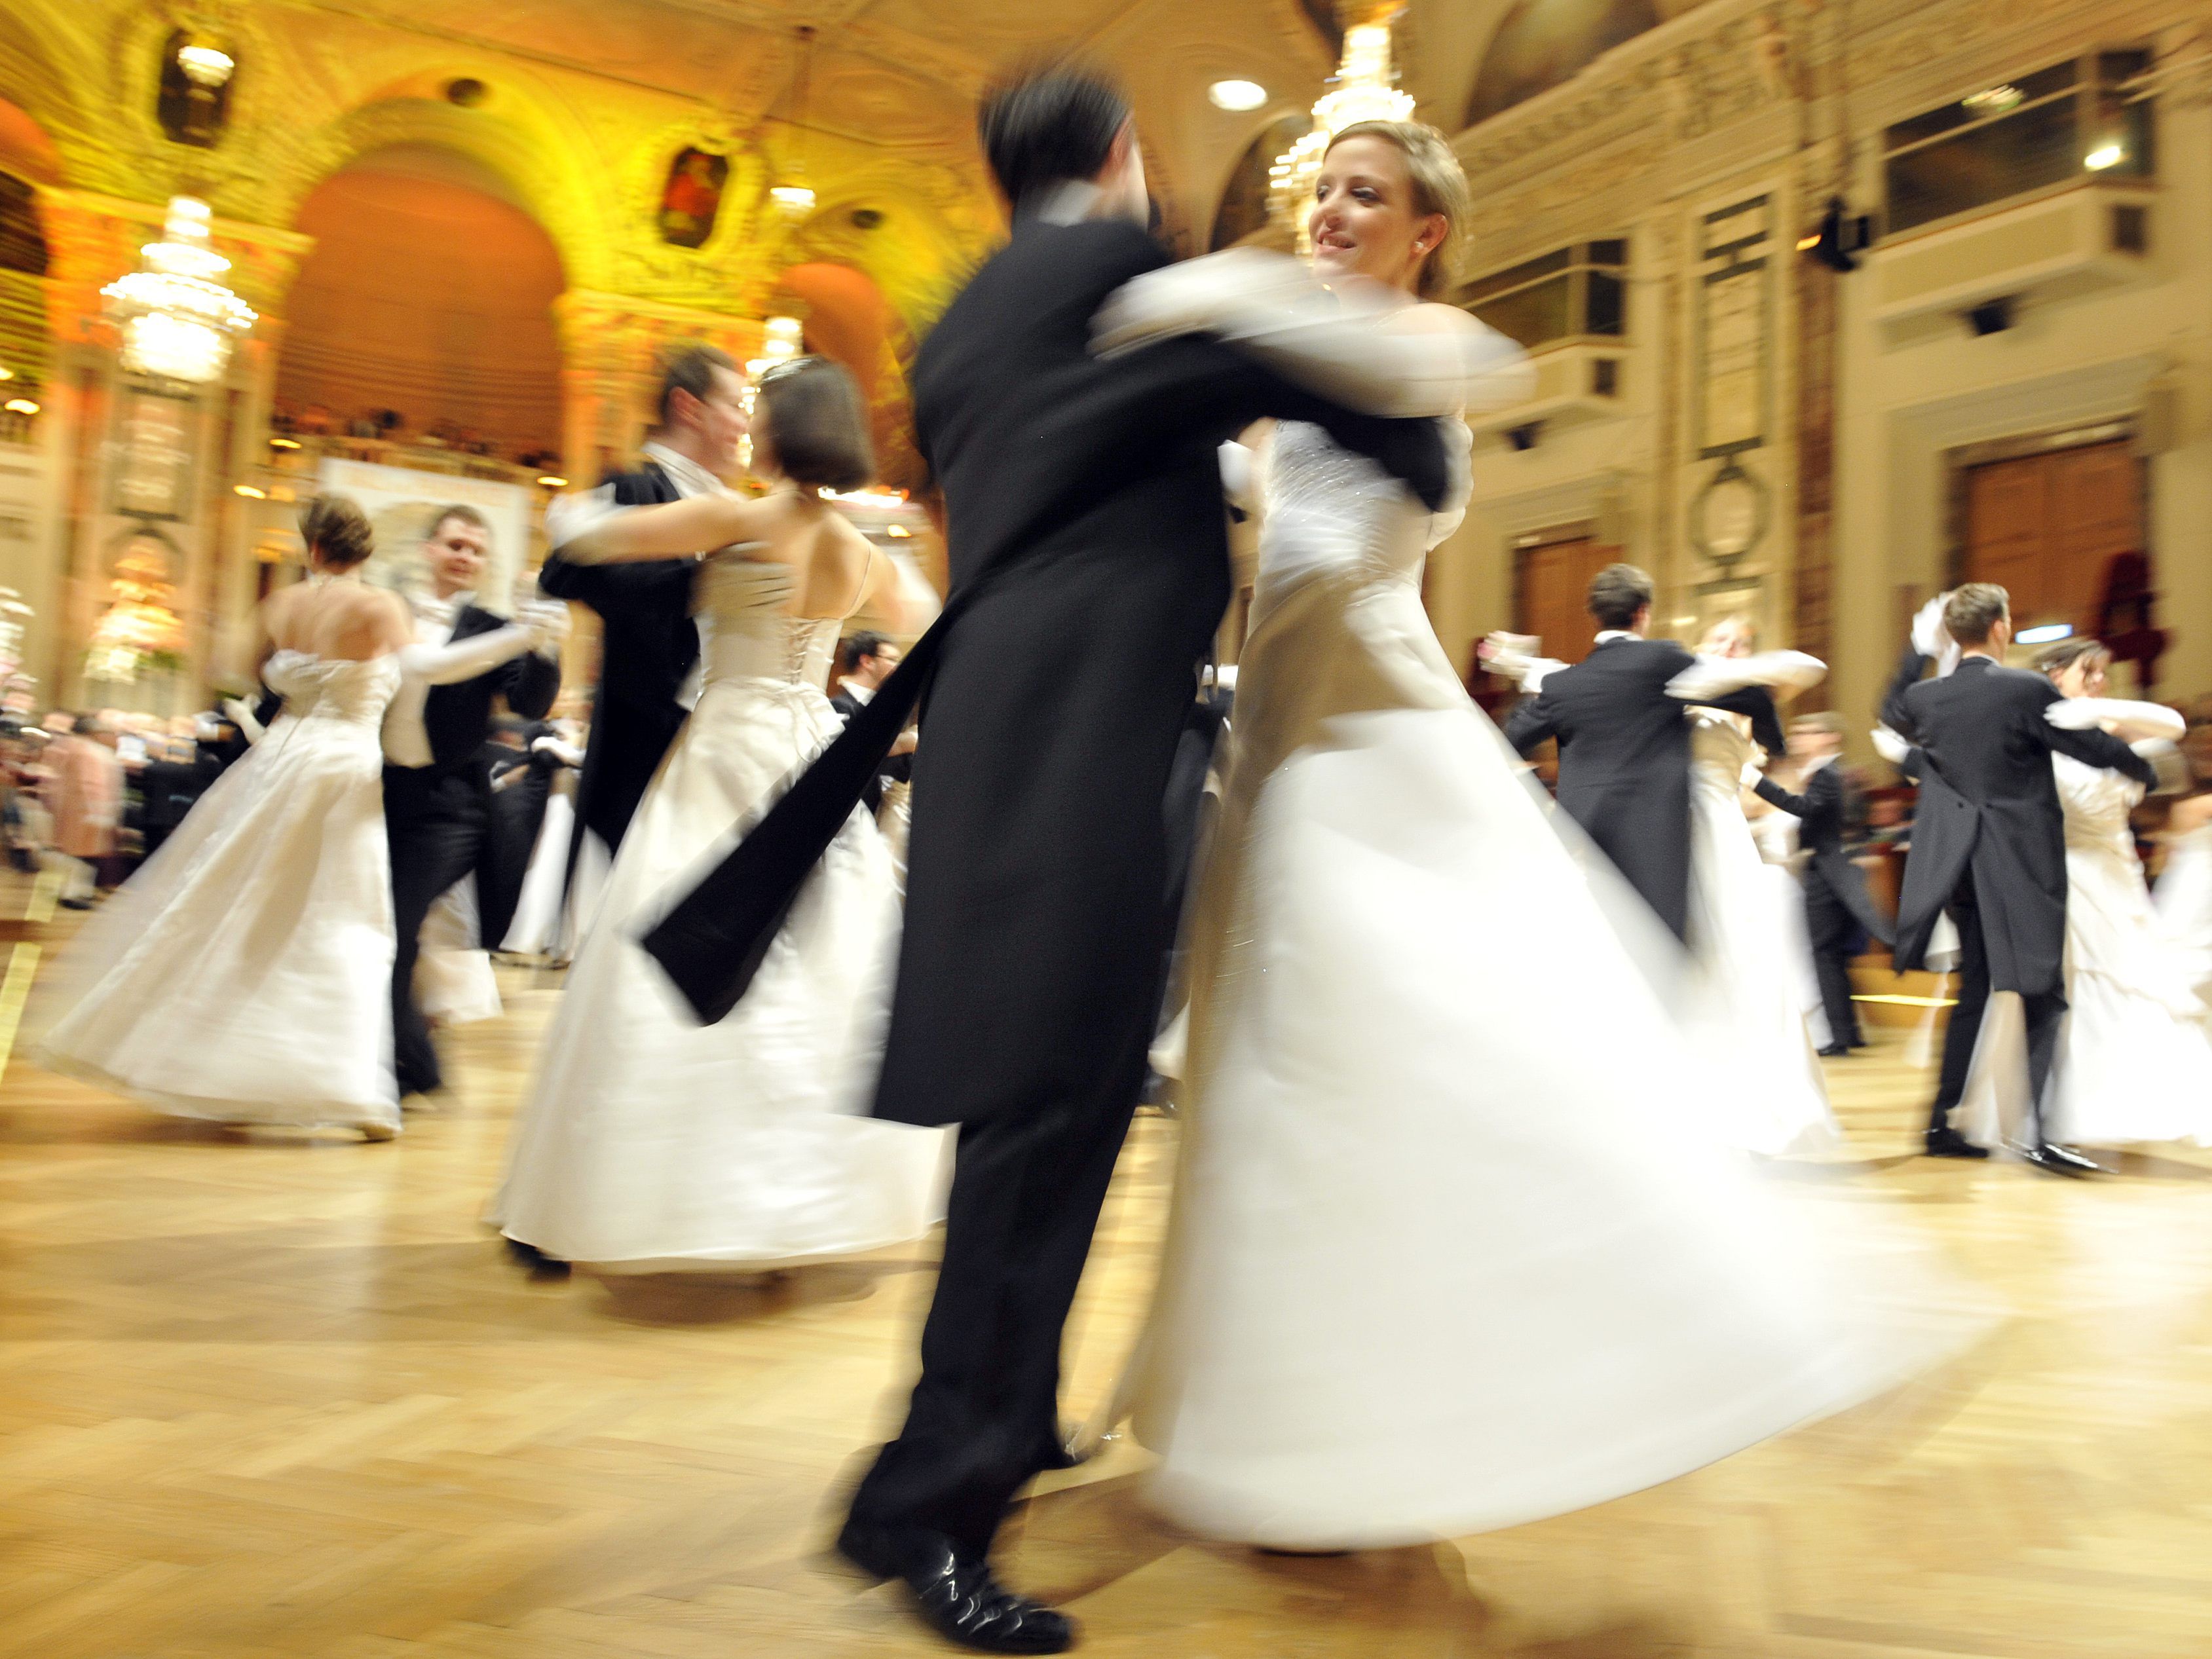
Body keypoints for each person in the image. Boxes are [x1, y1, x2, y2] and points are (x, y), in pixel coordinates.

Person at [607, 65, 1491, 1656]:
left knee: (1036, 1114)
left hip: (1008, 721)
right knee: (1048, 1123)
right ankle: (925, 1501)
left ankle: (994, 1425)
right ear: (1119, 157)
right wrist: (1412, 348)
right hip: (1085, 734)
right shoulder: (1119, 277)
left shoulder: (956, 328)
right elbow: (1359, 385)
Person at [1097, 118, 1964, 1558]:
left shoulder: (1425, 344)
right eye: (1322, 191)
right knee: (1277, 1061)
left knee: (1405, 1038)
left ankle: (1633, 1333)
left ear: (1423, 230)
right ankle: (1301, 1399)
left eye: (1360, 196)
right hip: (1278, 736)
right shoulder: (1301, 377)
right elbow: (1262, 494)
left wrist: (1184, 289)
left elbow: (1445, 374)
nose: (1327, 212)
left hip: (1364, 739)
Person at [491, 356, 947, 1271]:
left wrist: (665, 558)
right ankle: (794, 1199)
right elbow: (931, 618)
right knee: (818, 954)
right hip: (810, 744)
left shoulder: (740, 517)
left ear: (779, 430)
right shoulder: (863, 554)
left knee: (669, 944)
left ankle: (654, 1186)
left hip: (730, 734)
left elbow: (585, 537)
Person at [37, 496, 415, 1137]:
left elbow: (237, 670)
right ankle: (345, 1081)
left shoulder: (281, 606)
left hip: (280, 763)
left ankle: (196, 1047)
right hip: (347, 766)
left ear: (311, 548)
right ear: (366, 548)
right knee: (343, 913)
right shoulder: (382, 607)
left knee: (240, 902)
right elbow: (417, 683)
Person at [1879, 584, 2158, 1174]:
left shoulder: (1928, 696)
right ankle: (2038, 1135)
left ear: (1954, 635)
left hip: (1958, 865)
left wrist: (1916, 650)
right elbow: (2084, 744)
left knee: (1974, 991)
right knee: (2040, 990)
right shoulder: (2024, 688)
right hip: (2016, 860)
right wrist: (2142, 769)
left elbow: (1892, 708)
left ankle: (1939, 1122)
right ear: (2002, 628)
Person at [383, 504, 564, 1101]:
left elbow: (532, 703)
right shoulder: (390, 611)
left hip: (452, 805)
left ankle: (410, 1065)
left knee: (400, 923)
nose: (465, 556)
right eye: (455, 544)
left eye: (476, 550)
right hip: (380, 792)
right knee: (381, 926)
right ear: (430, 549)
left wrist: (547, 649)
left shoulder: (491, 626)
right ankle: (404, 1059)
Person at [538, 345, 740, 878]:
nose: (743, 424)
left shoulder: (738, 508)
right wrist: (702, 581)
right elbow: (560, 574)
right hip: (643, 737)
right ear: (689, 408)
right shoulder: (635, 486)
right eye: (735, 406)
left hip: (720, 732)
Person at [1501, 565, 1788, 942]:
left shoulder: (1561, 686)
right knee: (1660, 954)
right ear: (1643, 612)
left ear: (1595, 615)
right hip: (1659, 839)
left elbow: (1504, 743)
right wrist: (1775, 745)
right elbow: (1751, 695)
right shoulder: (1662, 661)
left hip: (1587, 843)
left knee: (1602, 950)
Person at [2001, 639, 2208, 1147]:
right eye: (2087, 671)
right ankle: (2063, 1109)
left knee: (2133, 982)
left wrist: (2094, 708)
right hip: (2067, 874)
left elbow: (2172, 726)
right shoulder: (2036, 737)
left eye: (2102, 672)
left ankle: (2134, 1102)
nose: (2098, 680)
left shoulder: (2112, 729)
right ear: (2054, 675)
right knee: (2077, 986)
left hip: (2118, 876)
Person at [1752, 711, 1895, 1057]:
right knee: (1832, 955)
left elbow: (1804, 809)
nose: (1799, 737)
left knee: (1825, 956)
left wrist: (1756, 782)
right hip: (1830, 871)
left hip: (1825, 874)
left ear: (1830, 737)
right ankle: (1846, 1031)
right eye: (1797, 731)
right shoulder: (1831, 773)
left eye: (1808, 732)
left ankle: (1836, 1037)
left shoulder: (1827, 774)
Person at [43, 711, 122, 908]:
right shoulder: (88, 752)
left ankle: (68, 891)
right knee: (82, 854)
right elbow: (92, 783)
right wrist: (99, 811)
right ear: (94, 733)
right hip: (85, 812)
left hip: (69, 809)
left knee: (72, 852)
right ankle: (75, 894)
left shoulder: (65, 746)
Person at [830, 631, 911, 813]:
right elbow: (848, 761)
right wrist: (903, 745)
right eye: (892, 659)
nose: (898, 667)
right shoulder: (841, 706)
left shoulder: (887, 708)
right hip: (849, 813)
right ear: (867, 662)